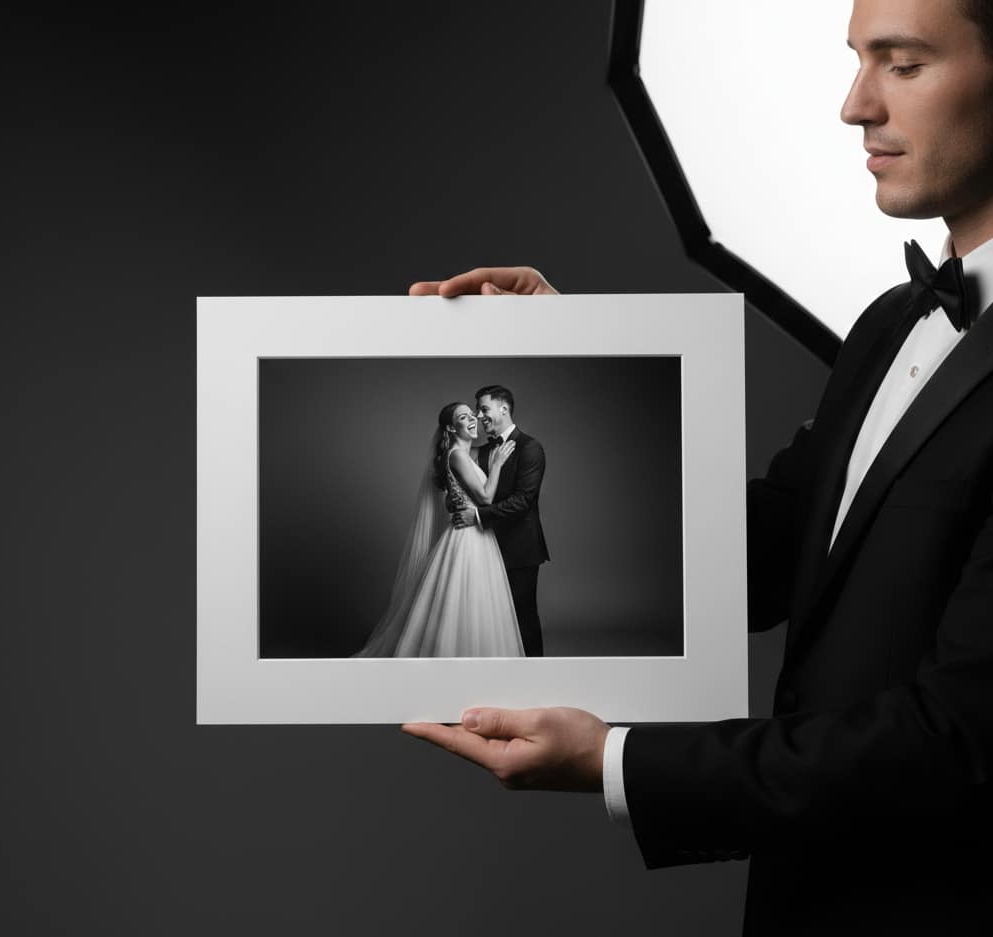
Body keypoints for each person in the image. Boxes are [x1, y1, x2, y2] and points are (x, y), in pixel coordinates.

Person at [402, 0, 993, 933]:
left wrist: (616, 762)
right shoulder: (889, 324)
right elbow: (765, 554)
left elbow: (957, 743)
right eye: (856, 60)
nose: (854, 105)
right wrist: (585, 366)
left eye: (903, 64)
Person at [355, 402, 523, 658]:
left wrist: (458, 501)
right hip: (468, 539)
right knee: (466, 602)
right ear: (450, 427)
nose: (472, 420)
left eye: (472, 415)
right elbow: (486, 497)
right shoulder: (456, 455)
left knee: (473, 604)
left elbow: (451, 498)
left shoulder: (460, 456)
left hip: (473, 532)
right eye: (463, 417)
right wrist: (498, 463)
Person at [449, 385, 550, 656]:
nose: (479, 416)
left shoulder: (530, 448)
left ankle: (534, 674)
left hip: (520, 549)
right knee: (488, 622)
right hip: (483, 549)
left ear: (503, 409)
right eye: (477, 411)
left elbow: (523, 500)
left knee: (522, 617)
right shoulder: (479, 451)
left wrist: (478, 516)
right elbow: (462, 483)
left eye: (484, 409)